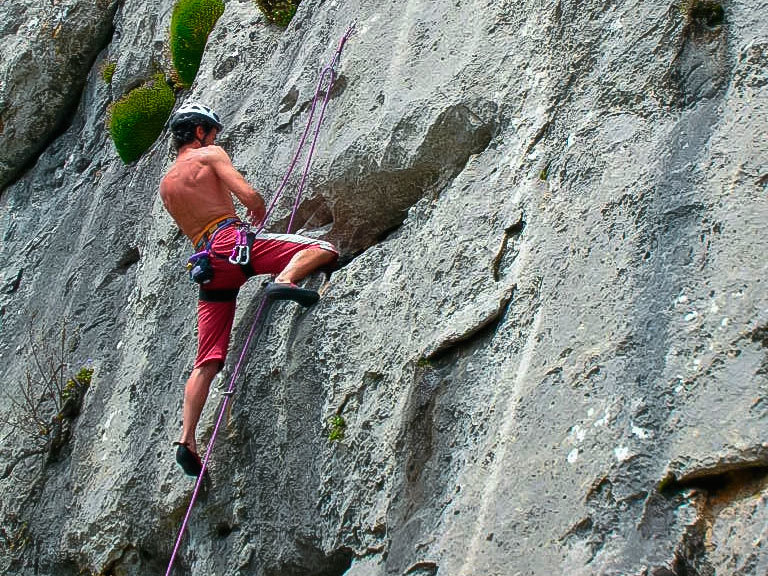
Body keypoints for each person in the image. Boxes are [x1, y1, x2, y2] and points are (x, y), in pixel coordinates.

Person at [159, 102, 338, 476]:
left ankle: (187, 438)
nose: (214, 137)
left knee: (207, 358)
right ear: (199, 131)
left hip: (207, 266)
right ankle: (285, 280)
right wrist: (256, 211)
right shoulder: (209, 155)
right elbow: (249, 196)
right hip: (231, 243)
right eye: (211, 131)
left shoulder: (167, 184)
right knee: (321, 248)